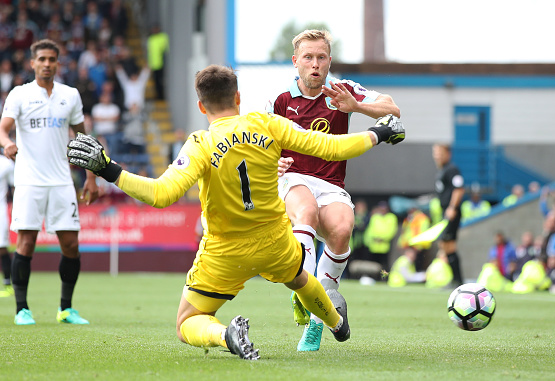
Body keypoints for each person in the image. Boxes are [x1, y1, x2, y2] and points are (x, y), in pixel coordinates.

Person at [66, 64, 405, 359]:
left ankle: (225, 335)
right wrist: (379, 132)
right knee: (300, 278)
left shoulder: (200, 143)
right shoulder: (267, 123)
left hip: (225, 251)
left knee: (186, 322)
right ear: (238, 98)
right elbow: (330, 146)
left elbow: (161, 194)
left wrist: (108, 168)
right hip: (274, 242)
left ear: (201, 105)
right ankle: (336, 323)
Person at [267, 29, 401, 351]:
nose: (315, 64)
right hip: (292, 177)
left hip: (331, 184)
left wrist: (355, 106)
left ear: (329, 61)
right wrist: (271, 166)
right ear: (295, 61)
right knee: (307, 213)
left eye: (321, 57)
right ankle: (304, 289)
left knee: (342, 230)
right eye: (308, 57)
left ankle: (316, 320)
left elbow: (393, 111)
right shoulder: (278, 98)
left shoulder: (343, 89)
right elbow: (258, 142)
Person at [0, 39, 99, 325]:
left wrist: (91, 177)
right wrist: (7, 143)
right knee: (26, 243)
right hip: (29, 181)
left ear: (58, 63)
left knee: (70, 245)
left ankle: (65, 308)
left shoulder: (71, 95)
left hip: (61, 182)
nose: (46, 64)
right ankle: (22, 309)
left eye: (51, 59)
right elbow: (3, 130)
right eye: (41, 59)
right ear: (32, 63)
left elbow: (83, 140)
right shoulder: (19, 95)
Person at [432, 143, 465, 287]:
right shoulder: (442, 170)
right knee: (445, 245)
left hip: (452, 212)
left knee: (449, 245)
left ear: (448, 154)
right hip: (446, 212)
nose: (437, 155)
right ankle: (455, 280)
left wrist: (452, 207)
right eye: (435, 152)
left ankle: (458, 280)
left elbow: (459, 189)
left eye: (440, 152)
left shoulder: (452, 169)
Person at [363, 201, 398, 272]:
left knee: (384, 264)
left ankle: (384, 278)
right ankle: (373, 278)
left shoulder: (391, 217)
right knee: (372, 264)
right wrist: (369, 241)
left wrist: (382, 238)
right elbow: (370, 230)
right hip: (373, 246)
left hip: (384, 246)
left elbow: (391, 231)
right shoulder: (375, 217)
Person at [0, 153, 14, 297]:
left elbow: (14, 185)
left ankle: (8, 285)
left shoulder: (5, 163)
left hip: (1, 211)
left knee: (2, 248)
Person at [146, 24, 169, 100]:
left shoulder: (162, 37)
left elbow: (165, 49)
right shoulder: (151, 39)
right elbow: (150, 53)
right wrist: (150, 64)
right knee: (156, 81)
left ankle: (162, 96)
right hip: (154, 64)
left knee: (161, 81)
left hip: (162, 63)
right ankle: (158, 95)